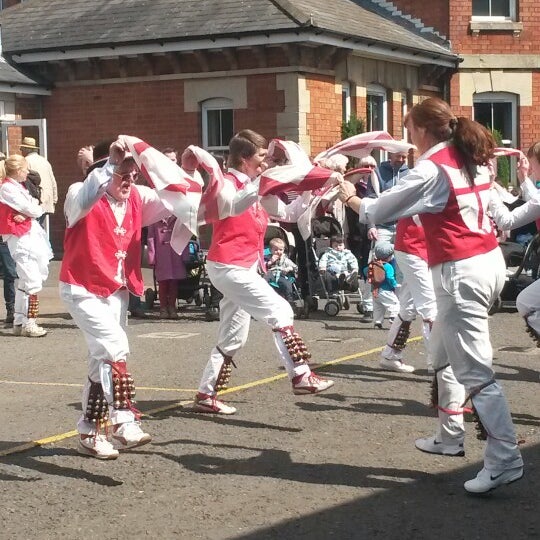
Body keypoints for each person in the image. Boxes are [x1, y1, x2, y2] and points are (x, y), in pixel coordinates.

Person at [338, 97, 523, 494]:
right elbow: (497, 213)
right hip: (486, 262)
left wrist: (348, 195)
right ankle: (449, 435)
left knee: (475, 370)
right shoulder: (471, 158)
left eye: (410, 131)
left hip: (461, 271)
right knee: (441, 352)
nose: (410, 140)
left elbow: (377, 210)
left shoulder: (432, 166)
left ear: (422, 130)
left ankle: (505, 457)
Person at [189, 129, 334, 415]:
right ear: (244, 159)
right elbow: (232, 205)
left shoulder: (256, 186)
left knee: (233, 337)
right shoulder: (226, 184)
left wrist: (311, 190)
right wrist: (268, 180)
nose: (265, 163)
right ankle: (301, 375)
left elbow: (290, 214)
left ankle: (206, 394)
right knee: (280, 311)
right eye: (261, 156)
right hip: (228, 265)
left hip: (243, 266)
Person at [59, 137, 172, 460]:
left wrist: (184, 173)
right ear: (104, 168)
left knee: (101, 360)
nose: (130, 181)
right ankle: (124, 419)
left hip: (116, 290)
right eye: (124, 174)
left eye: (134, 175)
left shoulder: (137, 196)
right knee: (114, 345)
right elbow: (86, 197)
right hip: (82, 287)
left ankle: (89, 431)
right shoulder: (79, 194)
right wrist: (109, 164)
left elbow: (175, 200)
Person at [0, 155, 53, 337]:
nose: (27, 173)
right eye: (25, 169)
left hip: (27, 235)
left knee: (25, 281)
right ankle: (29, 323)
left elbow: (35, 205)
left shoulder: (17, 186)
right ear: (17, 170)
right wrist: (30, 211)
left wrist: (28, 212)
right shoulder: (7, 188)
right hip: (20, 238)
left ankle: (19, 321)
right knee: (31, 280)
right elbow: (33, 208)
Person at [379, 215, 436, 374]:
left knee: (408, 308)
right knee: (430, 308)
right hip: (413, 245)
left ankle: (390, 355)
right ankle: (439, 364)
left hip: (421, 245)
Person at [361, 151, 409, 323]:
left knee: (401, 267)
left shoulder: (409, 174)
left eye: (404, 157)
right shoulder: (378, 173)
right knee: (376, 266)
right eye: (398, 156)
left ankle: (399, 307)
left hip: (402, 225)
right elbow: (369, 202)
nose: (401, 160)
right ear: (390, 155)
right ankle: (368, 306)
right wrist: (371, 225)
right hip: (382, 225)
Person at [147, 215, 189, 319]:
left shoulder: (178, 218)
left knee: (174, 283)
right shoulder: (155, 219)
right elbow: (151, 239)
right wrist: (152, 257)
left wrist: (185, 256)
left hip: (176, 255)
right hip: (161, 256)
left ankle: (172, 307)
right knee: (162, 283)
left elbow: (184, 238)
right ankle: (163, 308)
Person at [20, 137, 58, 229]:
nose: (21, 151)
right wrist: (54, 199)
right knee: (39, 227)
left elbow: (23, 181)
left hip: (36, 200)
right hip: (47, 199)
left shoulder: (26, 161)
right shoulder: (45, 161)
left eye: (22, 149)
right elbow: (53, 181)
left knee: (34, 228)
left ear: (26, 149)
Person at [367, 241, 400, 332]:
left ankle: (377, 322)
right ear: (388, 257)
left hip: (374, 290)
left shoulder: (373, 264)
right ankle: (393, 318)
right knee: (394, 304)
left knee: (378, 307)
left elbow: (365, 270)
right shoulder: (388, 266)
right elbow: (389, 277)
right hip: (386, 290)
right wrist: (394, 285)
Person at [265, 237, 298, 302]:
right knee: (264, 280)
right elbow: (263, 266)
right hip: (270, 274)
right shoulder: (268, 257)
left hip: (281, 275)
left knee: (287, 284)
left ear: (283, 250)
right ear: (270, 250)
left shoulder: (285, 260)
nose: (278, 252)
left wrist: (289, 268)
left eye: (280, 250)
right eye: (275, 250)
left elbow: (295, 267)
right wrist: (270, 262)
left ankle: (290, 301)